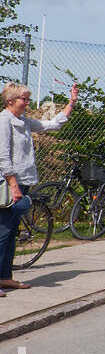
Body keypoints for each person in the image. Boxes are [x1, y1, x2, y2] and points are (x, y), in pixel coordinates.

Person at [0, 81, 77, 296]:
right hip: (7, 183)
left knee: (12, 231)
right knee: (3, 232)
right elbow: (3, 156)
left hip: (22, 181)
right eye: (23, 99)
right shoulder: (4, 121)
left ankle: (5, 277)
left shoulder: (22, 121)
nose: (27, 102)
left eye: (27, 98)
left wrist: (71, 102)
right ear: (10, 100)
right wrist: (14, 186)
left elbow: (51, 125)